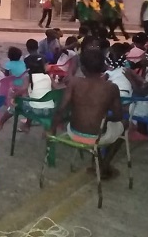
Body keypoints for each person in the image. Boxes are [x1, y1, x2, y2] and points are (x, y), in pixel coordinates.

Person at [50, 49, 127, 179]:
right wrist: (105, 118)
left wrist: (52, 130)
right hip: (97, 137)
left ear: (82, 68)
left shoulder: (74, 83)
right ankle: (104, 164)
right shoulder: (111, 87)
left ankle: (98, 161)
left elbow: (60, 109)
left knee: (97, 124)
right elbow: (118, 116)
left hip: (74, 133)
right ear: (103, 66)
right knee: (124, 124)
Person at [0, 54, 55, 132]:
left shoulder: (29, 77)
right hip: (50, 110)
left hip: (36, 110)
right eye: (47, 64)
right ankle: (27, 125)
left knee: (16, 105)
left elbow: (23, 89)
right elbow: (56, 88)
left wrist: (13, 96)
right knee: (30, 101)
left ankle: (0, 123)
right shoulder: (49, 77)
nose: (48, 65)